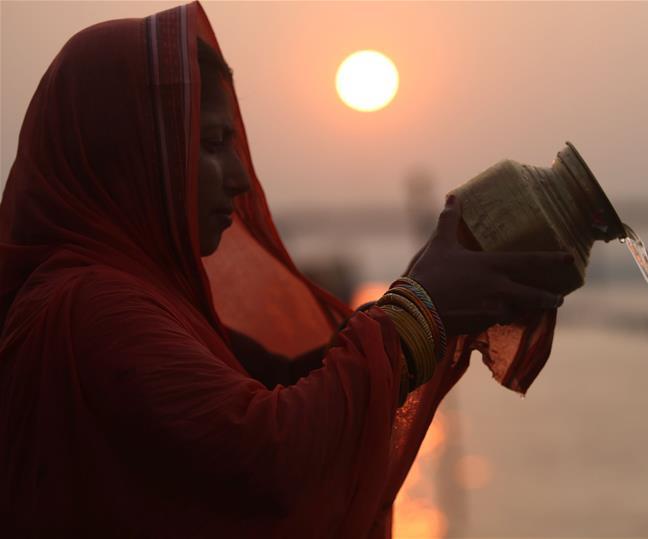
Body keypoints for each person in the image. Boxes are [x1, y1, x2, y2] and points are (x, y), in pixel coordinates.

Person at [0, 2, 570, 536]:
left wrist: (429, 293)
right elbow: (269, 457)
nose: (239, 178)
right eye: (213, 143)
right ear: (129, 152)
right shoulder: (92, 307)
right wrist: (424, 307)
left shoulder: (145, 300)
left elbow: (293, 384)